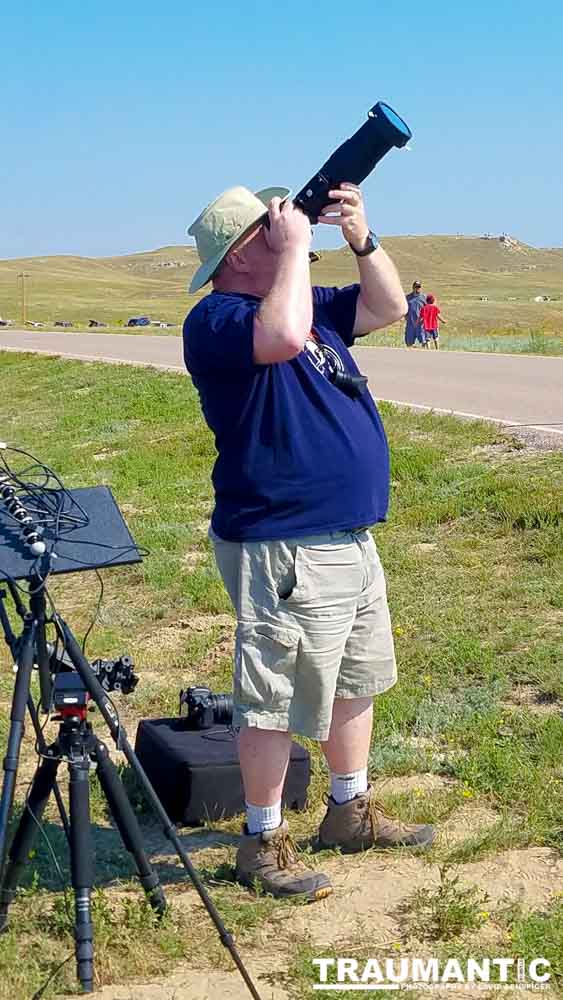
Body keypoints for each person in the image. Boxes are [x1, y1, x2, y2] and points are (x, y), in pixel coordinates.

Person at [183, 182, 435, 904]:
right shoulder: (218, 319)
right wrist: (294, 251)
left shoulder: (306, 304)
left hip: (347, 537)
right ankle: (261, 842)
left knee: (355, 680)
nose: (286, 229)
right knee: (276, 695)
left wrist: (360, 236)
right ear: (238, 254)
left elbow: (386, 308)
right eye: (268, 227)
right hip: (284, 543)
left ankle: (348, 811)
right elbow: (283, 338)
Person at [404, 280, 426, 347]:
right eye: (416, 287)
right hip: (410, 323)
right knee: (409, 343)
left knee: (423, 342)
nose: (418, 288)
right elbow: (404, 308)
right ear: (413, 287)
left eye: (419, 287)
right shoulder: (407, 297)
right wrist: (406, 316)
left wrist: (424, 319)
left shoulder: (424, 297)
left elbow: (427, 309)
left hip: (420, 324)